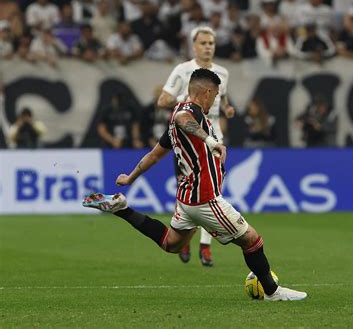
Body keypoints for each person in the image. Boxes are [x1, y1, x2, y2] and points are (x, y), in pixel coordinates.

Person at [83, 68, 307, 301]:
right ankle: (272, 291)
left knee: (172, 244)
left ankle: (122, 209)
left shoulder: (176, 123)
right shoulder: (190, 112)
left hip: (186, 197)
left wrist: (130, 178)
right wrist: (211, 141)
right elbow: (184, 120)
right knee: (251, 240)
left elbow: (154, 155)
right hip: (205, 199)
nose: (216, 100)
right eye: (216, 94)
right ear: (208, 92)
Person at [157, 26, 235, 267]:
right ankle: (184, 236)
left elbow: (222, 98)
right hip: (189, 140)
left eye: (211, 42)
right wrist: (187, 98)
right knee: (187, 189)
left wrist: (227, 109)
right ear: (194, 46)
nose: (208, 46)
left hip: (213, 137)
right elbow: (162, 100)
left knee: (214, 193)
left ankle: (205, 246)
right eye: (203, 43)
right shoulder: (183, 70)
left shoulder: (222, 72)